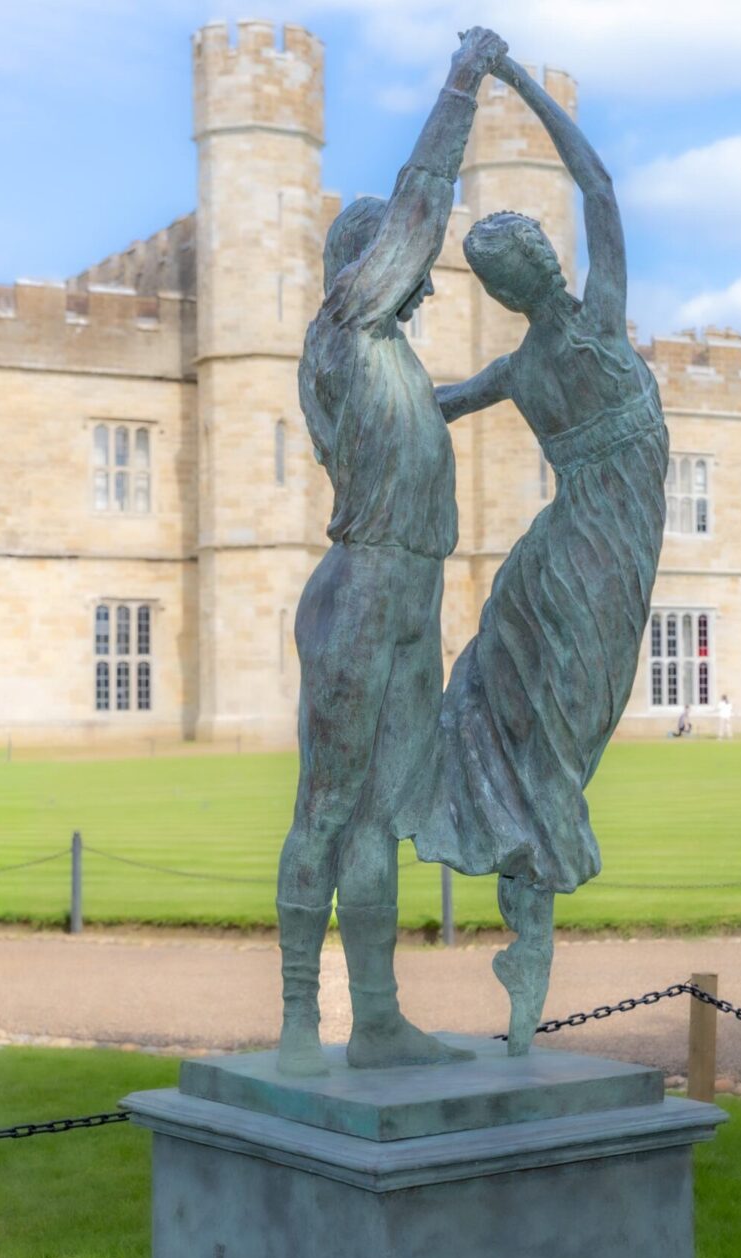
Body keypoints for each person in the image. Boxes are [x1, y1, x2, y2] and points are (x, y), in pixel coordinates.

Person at [417, 56, 671, 1053]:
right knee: (553, 749)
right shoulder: (595, 325)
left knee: (507, 719)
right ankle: (529, 952)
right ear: (546, 266)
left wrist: (357, 354)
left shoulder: (520, 366)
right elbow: (598, 186)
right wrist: (517, 80)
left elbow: (435, 404)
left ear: (504, 287)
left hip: (553, 561)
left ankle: (526, 942)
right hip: (599, 566)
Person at [274, 27, 507, 1077]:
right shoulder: (345, 324)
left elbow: (423, 419)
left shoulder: (393, 360)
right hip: (363, 586)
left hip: (411, 594)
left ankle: (373, 1015)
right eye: (400, 267)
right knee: (326, 805)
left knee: (379, 812)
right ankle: (294, 1020)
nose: (418, 283)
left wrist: (503, 381)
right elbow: (419, 207)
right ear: (365, 265)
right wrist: (460, 85)